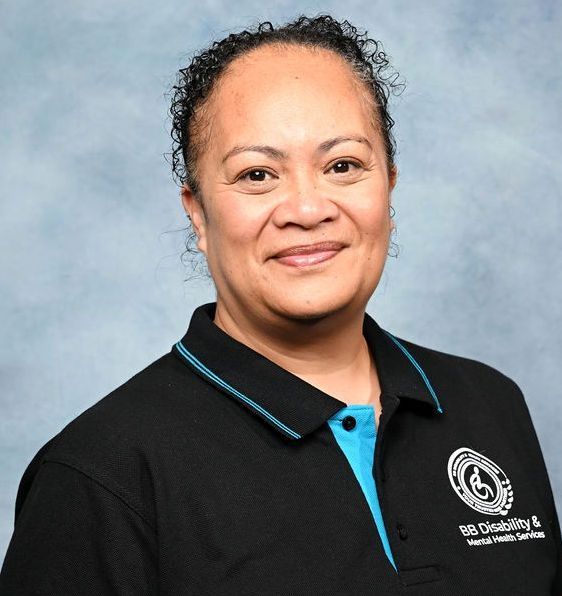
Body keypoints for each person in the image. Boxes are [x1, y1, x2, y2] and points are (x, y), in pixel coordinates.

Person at [1, 14, 560, 595]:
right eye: (257, 174)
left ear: (388, 184)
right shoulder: (99, 473)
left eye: (342, 165)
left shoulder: (489, 404)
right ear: (197, 213)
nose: (307, 208)